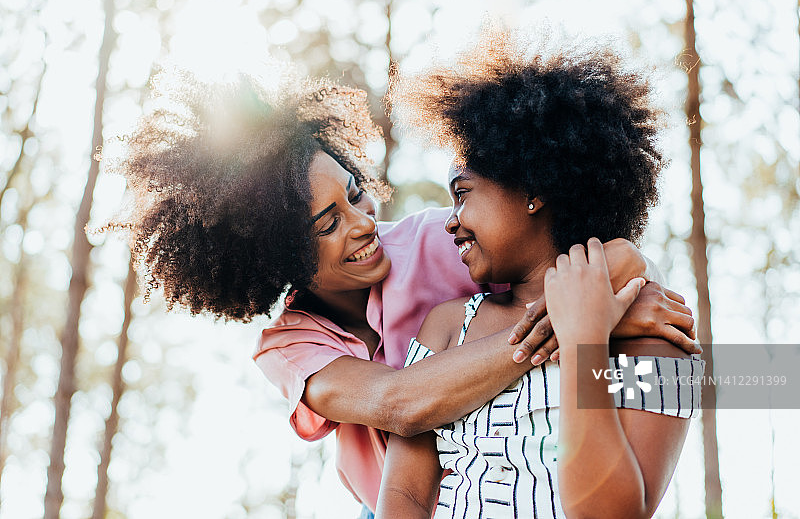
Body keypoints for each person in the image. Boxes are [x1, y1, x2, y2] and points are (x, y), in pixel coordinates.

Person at [102, 62, 699, 516]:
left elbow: (594, 250)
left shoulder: (431, 241)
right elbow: (402, 406)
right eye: (328, 222)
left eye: (354, 191)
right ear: (275, 253)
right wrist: (571, 324)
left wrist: (598, 308)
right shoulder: (290, 348)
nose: (365, 224)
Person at [375, 33, 703, 518]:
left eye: (463, 193)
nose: (451, 219)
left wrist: (583, 338)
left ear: (534, 189)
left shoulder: (657, 333)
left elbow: (613, 513)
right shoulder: (446, 327)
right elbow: (404, 493)